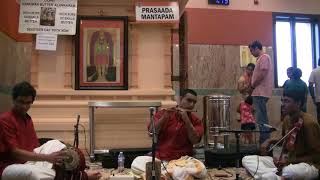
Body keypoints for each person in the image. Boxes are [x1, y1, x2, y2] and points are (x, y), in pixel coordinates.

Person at [0, 81, 101, 180]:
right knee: (34, 173)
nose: (24, 106)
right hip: (10, 166)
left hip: (29, 161)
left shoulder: (27, 119)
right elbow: (14, 153)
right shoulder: (5, 119)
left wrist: (53, 154)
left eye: (28, 103)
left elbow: (36, 147)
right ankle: (81, 176)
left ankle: (73, 169)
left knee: (54, 143)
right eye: (21, 102)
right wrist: (47, 158)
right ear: (13, 100)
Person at [242, 89, 320, 179]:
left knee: (290, 171)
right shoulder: (287, 119)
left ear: (298, 103)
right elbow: (285, 141)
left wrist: (289, 161)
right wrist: (269, 141)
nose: (282, 105)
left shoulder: (309, 123)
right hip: (288, 163)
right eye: (282, 101)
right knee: (247, 159)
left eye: (287, 101)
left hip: (308, 166)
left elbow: (316, 156)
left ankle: (273, 176)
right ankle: (274, 176)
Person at [148, 89, 204, 161]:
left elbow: (195, 141)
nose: (192, 105)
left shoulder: (196, 120)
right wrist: (164, 118)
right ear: (180, 99)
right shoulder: (163, 114)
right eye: (189, 100)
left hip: (184, 160)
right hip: (161, 157)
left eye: (194, 102)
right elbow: (151, 133)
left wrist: (187, 121)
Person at [249, 40, 273, 144]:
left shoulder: (264, 57)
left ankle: (265, 141)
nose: (251, 53)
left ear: (256, 48)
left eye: (251, 50)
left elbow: (263, 73)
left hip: (260, 92)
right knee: (261, 119)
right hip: (259, 92)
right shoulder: (261, 58)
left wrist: (253, 85)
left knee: (262, 119)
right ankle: (264, 140)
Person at [309, 58, 320, 124]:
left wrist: (313, 97)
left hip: (318, 99)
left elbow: (310, 85)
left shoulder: (314, 71)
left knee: (319, 116)